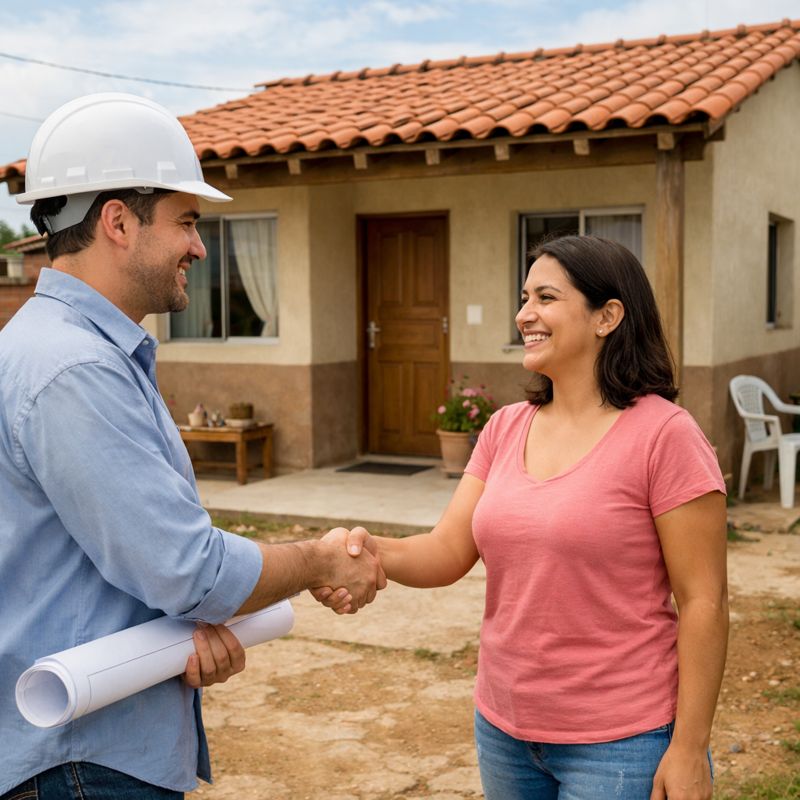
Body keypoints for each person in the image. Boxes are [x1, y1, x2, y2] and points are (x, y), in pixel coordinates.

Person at [0, 93, 384, 799]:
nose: (200, 247)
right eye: (187, 221)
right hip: (83, 762)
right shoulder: (74, 369)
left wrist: (180, 637)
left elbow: (119, 567)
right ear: (118, 220)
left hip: (89, 742)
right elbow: (185, 570)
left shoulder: (54, 350)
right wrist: (318, 560)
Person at [317, 235, 729, 800]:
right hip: (505, 730)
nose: (523, 314)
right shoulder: (507, 426)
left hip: (623, 743)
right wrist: (361, 550)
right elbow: (447, 550)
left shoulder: (666, 435)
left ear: (608, 316)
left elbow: (704, 601)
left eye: (545, 297)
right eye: (523, 297)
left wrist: (687, 748)